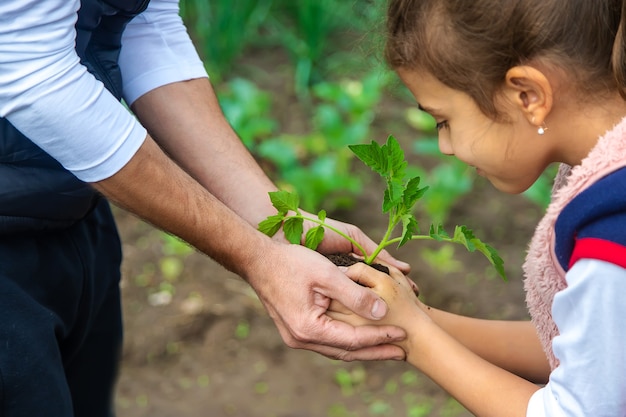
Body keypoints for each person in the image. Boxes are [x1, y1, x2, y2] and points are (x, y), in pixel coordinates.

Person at [0, 1, 413, 416]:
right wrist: (255, 256)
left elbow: (144, 24)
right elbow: (31, 68)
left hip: (72, 207)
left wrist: (279, 223)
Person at [329, 0, 626, 416]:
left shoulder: (611, 232)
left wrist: (415, 337)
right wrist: (410, 317)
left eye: (443, 120)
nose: (444, 147)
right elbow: (588, 347)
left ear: (527, 95)